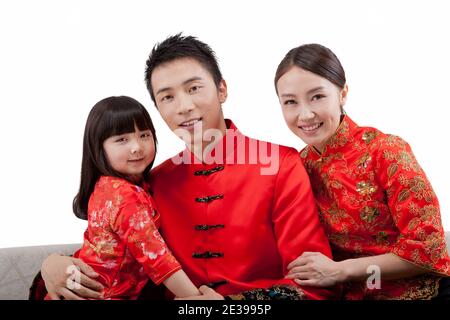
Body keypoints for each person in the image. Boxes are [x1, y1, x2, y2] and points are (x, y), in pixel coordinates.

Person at [36, 34, 335, 300]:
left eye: (193, 88)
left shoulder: (281, 165)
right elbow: (111, 248)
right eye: (167, 97)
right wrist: (52, 265)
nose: (183, 107)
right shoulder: (156, 181)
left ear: (222, 90)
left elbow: (312, 287)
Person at [274, 43, 450, 299]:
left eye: (317, 96)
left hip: (423, 293)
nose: (305, 114)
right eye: (290, 102)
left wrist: (341, 270)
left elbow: (428, 250)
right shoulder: (297, 166)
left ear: (343, 93)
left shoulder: (385, 150)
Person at [44, 96, 201, 300]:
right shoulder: (125, 195)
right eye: (121, 139)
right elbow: (157, 259)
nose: (136, 147)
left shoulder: (107, 186)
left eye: (144, 135)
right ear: (99, 147)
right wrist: (199, 300)